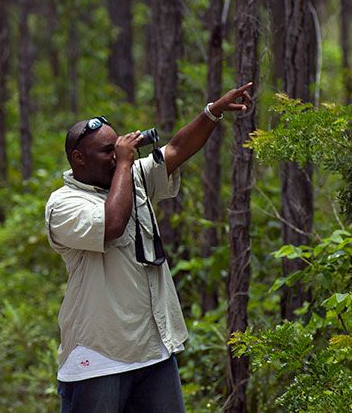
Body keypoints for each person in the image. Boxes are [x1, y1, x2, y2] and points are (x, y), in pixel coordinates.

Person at [45, 83, 254, 413]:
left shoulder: (131, 178)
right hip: (99, 356)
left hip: (153, 351)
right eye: (107, 152)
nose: (116, 157)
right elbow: (111, 225)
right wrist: (126, 163)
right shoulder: (64, 205)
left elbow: (175, 150)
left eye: (118, 149)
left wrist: (212, 112)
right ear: (79, 158)